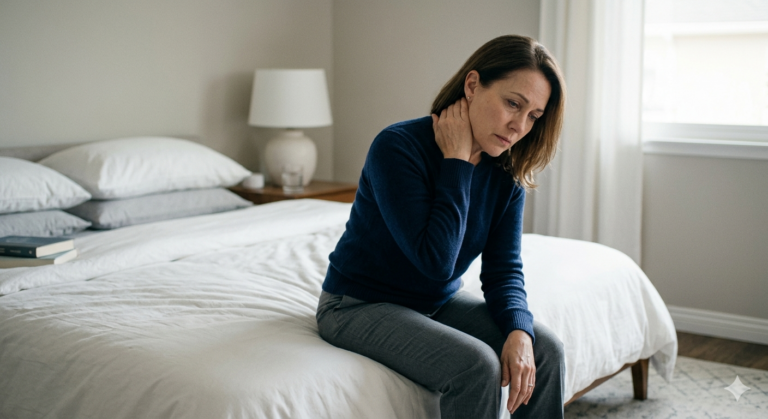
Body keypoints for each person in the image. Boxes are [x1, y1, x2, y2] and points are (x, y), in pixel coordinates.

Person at [316, 34, 567, 419]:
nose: (519, 126)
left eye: (533, 116)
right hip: (356, 305)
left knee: (543, 348)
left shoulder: (506, 173)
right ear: (472, 85)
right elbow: (435, 262)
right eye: (513, 103)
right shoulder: (397, 147)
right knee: (477, 365)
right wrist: (457, 163)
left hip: (433, 301)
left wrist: (518, 329)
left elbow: (503, 271)